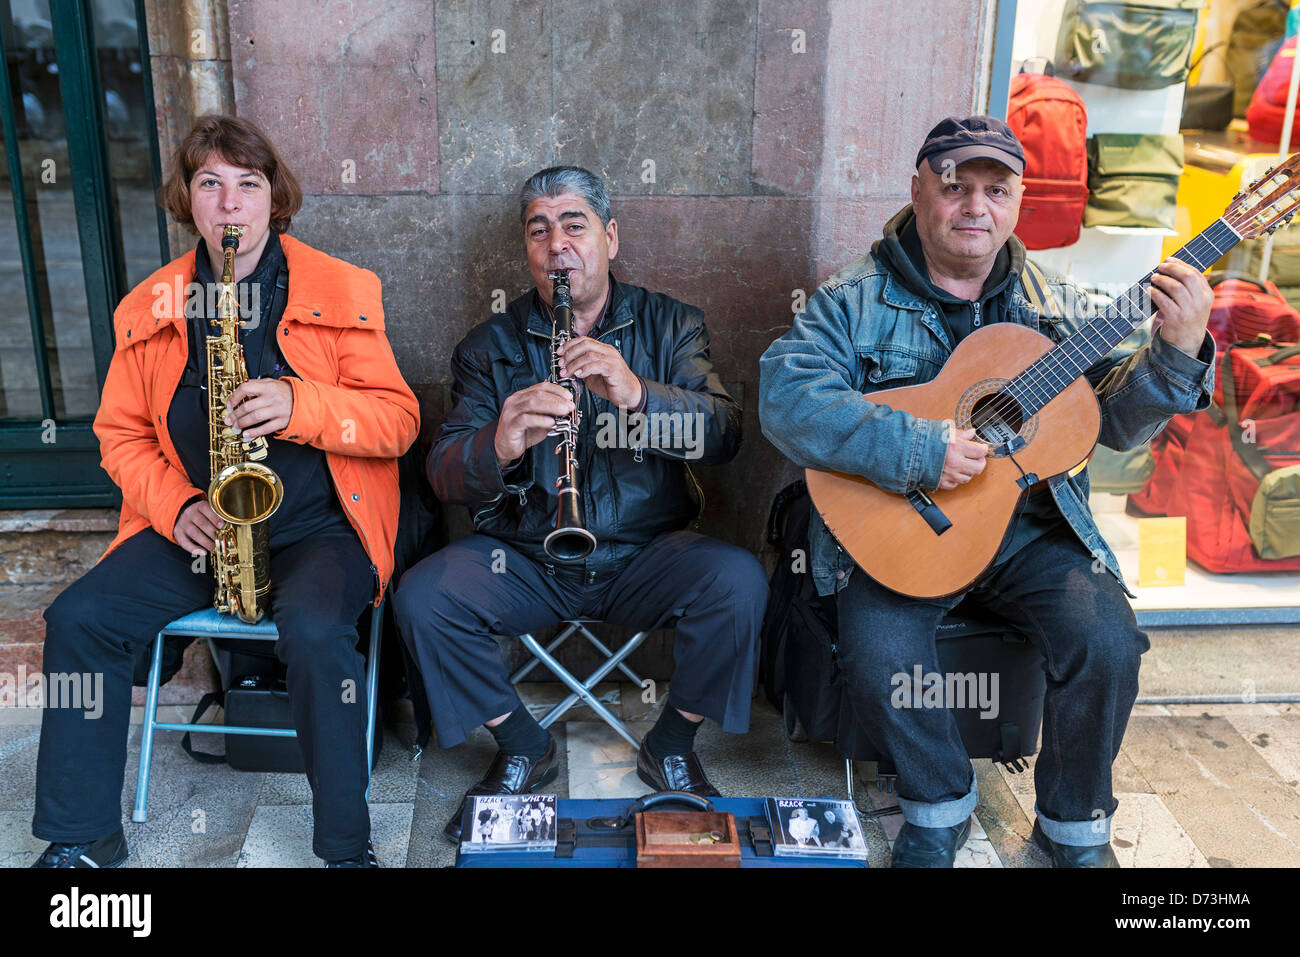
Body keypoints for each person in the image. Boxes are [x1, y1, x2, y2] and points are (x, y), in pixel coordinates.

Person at [759, 116, 1215, 868]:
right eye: (955, 186)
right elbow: (786, 398)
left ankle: (1073, 828)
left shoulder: (1054, 300)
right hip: (905, 529)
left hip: (1030, 531)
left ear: (1018, 201)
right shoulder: (851, 298)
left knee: (1106, 641)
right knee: (880, 654)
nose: (975, 206)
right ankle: (937, 805)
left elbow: (1117, 426)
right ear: (918, 190)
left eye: (995, 190)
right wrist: (919, 447)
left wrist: (1176, 353)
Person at [30, 115, 419, 869]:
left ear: (274, 201)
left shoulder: (342, 289)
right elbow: (120, 435)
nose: (230, 203)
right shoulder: (149, 307)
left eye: (248, 184)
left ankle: (346, 849)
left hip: (321, 527)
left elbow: (399, 421)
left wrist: (299, 404)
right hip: (202, 526)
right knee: (79, 619)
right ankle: (81, 836)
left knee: (312, 633)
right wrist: (176, 506)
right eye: (210, 183)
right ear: (188, 200)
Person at [394, 165, 768, 841]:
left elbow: (726, 434)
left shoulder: (672, 324)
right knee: (423, 596)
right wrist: (500, 442)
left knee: (738, 580)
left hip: (646, 554)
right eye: (539, 230)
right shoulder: (490, 347)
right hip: (526, 558)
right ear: (527, 251)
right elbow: (446, 473)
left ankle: (673, 743)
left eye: (574, 225)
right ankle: (521, 745)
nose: (557, 245)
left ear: (610, 236)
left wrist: (640, 395)